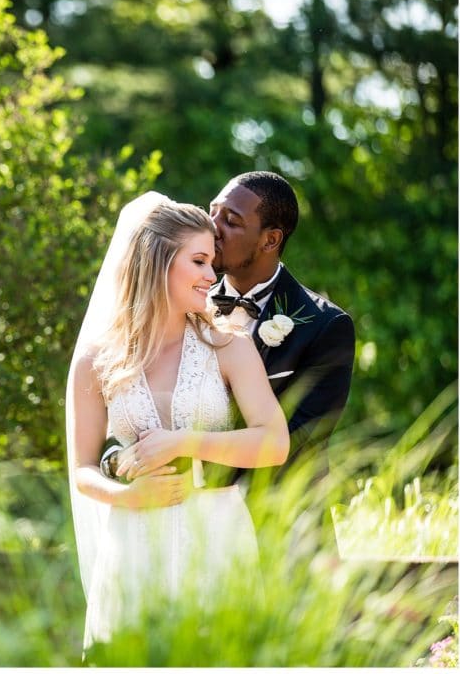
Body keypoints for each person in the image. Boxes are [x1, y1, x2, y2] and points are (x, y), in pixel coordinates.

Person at [65, 192, 290, 660]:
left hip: (216, 534)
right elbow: (83, 469)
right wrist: (128, 497)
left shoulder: (229, 347)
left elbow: (274, 442)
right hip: (133, 543)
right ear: (157, 261)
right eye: (200, 261)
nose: (213, 275)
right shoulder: (95, 361)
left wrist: (183, 442)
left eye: (213, 261)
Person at [102, 172, 355, 486]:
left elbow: (300, 440)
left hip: (279, 522)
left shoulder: (325, 326)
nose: (212, 228)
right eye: (213, 212)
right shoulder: (180, 301)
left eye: (231, 221)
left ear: (270, 240)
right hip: (171, 508)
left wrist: (182, 461)